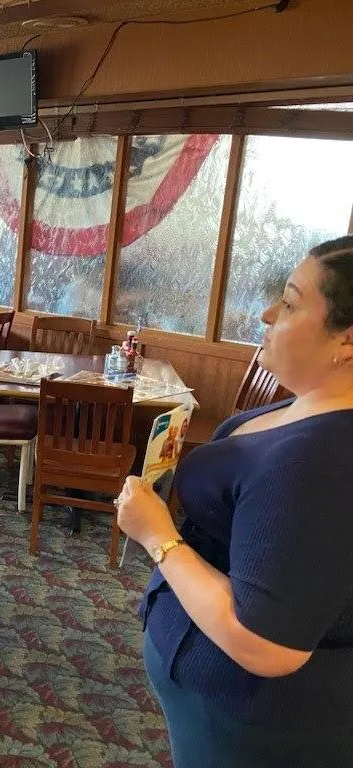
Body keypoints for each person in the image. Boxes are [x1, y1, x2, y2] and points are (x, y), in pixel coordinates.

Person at [117, 235, 353, 767]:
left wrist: (158, 536)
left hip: (249, 718)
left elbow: (266, 645)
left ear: (347, 340)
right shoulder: (308, 407)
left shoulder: (322, 462)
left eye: (289, 303)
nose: (268, 313)